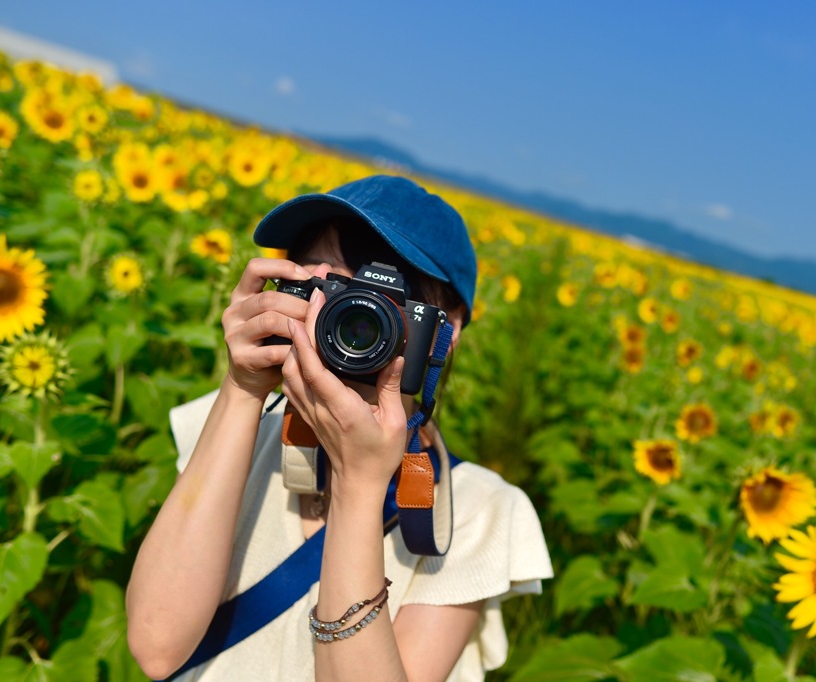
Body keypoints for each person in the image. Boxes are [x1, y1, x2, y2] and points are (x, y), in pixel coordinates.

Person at [125, 175, 553, 681]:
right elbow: (155, 646)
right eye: (328, 287)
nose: (346, 316)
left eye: (376, 298)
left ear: (447, 328)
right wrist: (242, 388)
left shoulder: (476, 515)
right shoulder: (235, 433)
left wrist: (360, 483)